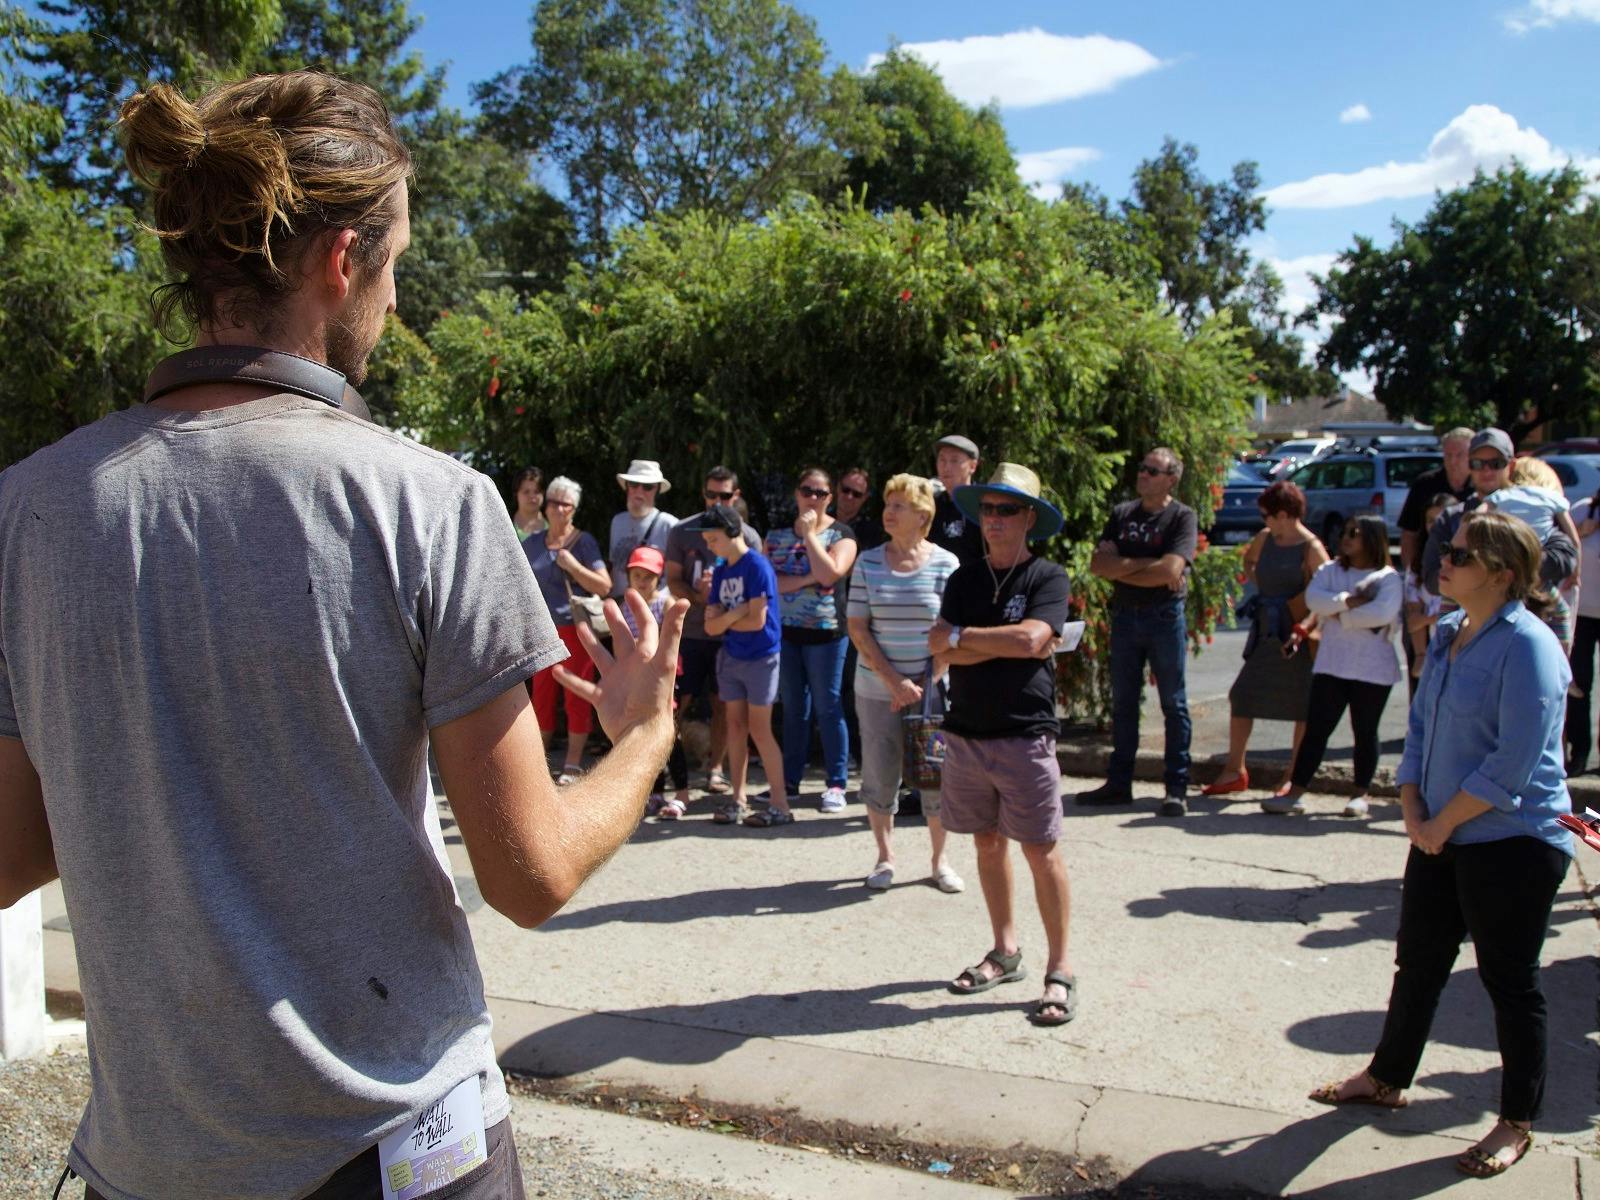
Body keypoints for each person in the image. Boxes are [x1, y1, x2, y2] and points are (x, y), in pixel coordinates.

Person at [0, 71, 684, 1200]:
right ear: (340, 263)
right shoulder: (428, 503)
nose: (394, 300)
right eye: (397, 263)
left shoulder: (29, 506)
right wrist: (645, 732)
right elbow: (532, 873)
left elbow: (13, 853)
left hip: (151, 1157)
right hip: (392, 1154)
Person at [1309, 510, 1574, 1181]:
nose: (1442, 563)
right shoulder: (1453, 630)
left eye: (1457, 554)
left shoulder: (1531, 646)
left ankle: (1517, 1121)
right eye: (1443, 551)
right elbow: (1420, 730)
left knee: (1510, 983)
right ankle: (1389, 1077)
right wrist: (1411, 803)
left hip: (1513, 840)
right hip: (1441, 828)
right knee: (1418, 962)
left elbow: (1513, 763)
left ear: (1502, 573)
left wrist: (1440, 822)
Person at [930, 464, 1073, 1025]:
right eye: (987, 509)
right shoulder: (964, 580)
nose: (993, 519)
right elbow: (941, 649)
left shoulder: (1047, 577)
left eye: (1006, 509)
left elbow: (1037, 638)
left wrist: (968, 639)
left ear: (1028, 518)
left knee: (1040, 850)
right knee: (987, 845)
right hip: (966, 733)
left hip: (1024, 734)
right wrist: (994, 644)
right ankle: (1005, 950)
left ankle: (1059, 970)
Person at [845, 474, 963, 891]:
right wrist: (896, 684)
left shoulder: (948, 564)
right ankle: (884, 856)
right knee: (879, 774)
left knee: (935, 776)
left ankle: (939, 861)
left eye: (899, 505)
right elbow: (858, 628)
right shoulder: (868, 561)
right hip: (877, 691)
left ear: (923, 514)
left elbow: (954, 632)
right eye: (888, 503)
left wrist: (926, 681)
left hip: (932, 692)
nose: (888, 512)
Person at [1079, 447, 1198, 816]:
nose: (1143, 474)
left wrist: (1124, 566)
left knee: (1173, 703)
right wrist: (1151, 566)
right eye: (1142, 468)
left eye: (1152, 470)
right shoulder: (1122, 514)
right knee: (1124, 703)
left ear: (1171, 479)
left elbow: (1171, 571)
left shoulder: (1182, 517)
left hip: (1164, 617)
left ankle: (1176, 787)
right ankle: (1119, 783)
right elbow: (1099, 566)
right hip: (1126, 616)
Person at [1263, 515, 1402, 818]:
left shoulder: (1387, 577)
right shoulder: (1330, 571)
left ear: (1373, 539)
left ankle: (1360, 794)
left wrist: (1342, 616)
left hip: (1372, 668)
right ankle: (1296, 791)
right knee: (1317, 729)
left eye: (1355, 533)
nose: (1347, 537)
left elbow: (1382, 613)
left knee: (1365, 730)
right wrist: (1350, 602)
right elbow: (1315, 600)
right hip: (1332, 664)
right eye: (1345, 532)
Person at [1202, 480, 1328, 798]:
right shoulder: (1265, 537)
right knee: (1242, 695)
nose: (1264, 520)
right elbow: (1249, 562)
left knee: (1303, 705)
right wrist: (1263, 588)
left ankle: (1293, 775)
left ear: (1284, 514)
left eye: (1267, 514)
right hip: (1267, 629)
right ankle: (1235, 770)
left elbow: (1327, 591)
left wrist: (1304, 620)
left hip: (1298, 635)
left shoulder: (1311, 547)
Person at [664, 467, 764, 794]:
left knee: (724, 703)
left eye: (724, 496)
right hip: (690, 633)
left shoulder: (748, 538)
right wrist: (698, 598)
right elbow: (673, 579)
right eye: (711, 495)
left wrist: (720, 605)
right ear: (703, 493)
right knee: (676, 703)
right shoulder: (682, 531)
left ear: (736, 496)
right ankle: (665, 767)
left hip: (729, 637)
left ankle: (716, 769)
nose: (716, 501)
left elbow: (755, 595)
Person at [767, 467, 859, 811]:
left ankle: (836, 783)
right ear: (797, 493)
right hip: (786, 634)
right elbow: (769, 583)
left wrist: (809, 536)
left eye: (821, 493)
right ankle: (789, 780)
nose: (813, 498)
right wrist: (809, 579)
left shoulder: (842, 534)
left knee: (829, 706)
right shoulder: (775, 536)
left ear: (829, 498)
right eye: (807, 490)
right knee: (793, 709)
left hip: (827, 635)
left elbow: (830, 573)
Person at [703, 505, 792, 828]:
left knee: (760, 729)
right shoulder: (723, 569)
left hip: (761, 658)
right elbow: (712, 626)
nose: (710, 546)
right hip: (732, 656)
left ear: (732, 533)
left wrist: (730, 618)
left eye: (713, 539)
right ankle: (738, 799)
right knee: (735, 727)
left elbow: (757, 622)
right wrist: (736, 613)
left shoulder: (757, 566)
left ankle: (780, 804)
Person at [525, 475, 613, 784]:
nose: (558, 508)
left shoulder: (584, 542)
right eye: (553, 502)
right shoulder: (532, 543)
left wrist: (573, 566)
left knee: (577, 696)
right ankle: (537, 764)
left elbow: (604, 586)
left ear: (574, 509)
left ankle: (573, 763)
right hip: (540, 633)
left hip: (576, 631)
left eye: (565, 503)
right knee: (541, 699)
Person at [614, 546, 690, 818]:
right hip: (637, 680)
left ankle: (682, 792)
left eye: (649, 576)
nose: (643, 581)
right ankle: (656, 792)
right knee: (645, 734)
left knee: (670, 733)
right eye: (637, 575)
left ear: (660, 578)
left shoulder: (665, 603)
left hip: (664, 680)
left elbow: (671, 641)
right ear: (629, 576)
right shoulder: (626, 608)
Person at [608, 459, 679, 598]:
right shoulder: (617, 521)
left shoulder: (670, 524)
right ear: (627, 487)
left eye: (647, 487)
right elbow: (613, 566)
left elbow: (679, 574)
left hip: (654, 608)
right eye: (634, 484)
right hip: (621, 603)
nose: (639, 491)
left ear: (657, 490)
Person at [1567, 485, 1600, 773]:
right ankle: (1579, 752)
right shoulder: (1582, 509)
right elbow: (1558, 547)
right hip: (1582, 614)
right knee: (1578, 684)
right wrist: (1579, 531)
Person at [1404, 495, 1453, 681]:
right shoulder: (1417, 567)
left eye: (1440, 520)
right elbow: (1413, 621)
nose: (1435, 526)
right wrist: (1420, 656)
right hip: (1434, 656)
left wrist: (1429, 619)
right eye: (1430, 521)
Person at [929, 434, 986, 566]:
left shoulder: (985, 505)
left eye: (954, 460)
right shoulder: (930, 505)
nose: (946, 467)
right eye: (942, 460)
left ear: (972, 466)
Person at [835, 466, 885, 552]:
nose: (849, 496)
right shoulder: (820, 520)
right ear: (838, 488)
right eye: (845, 490)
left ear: (865, 497)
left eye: (857, 494)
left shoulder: (871, 531)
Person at [511, 466, 547, 541]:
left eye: (537, 491)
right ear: (516, 493)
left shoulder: (555, 528)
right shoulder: (505, 526)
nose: (532, 496)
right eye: (526, 492)